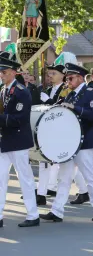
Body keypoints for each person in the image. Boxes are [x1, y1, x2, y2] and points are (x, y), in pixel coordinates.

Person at [40, 62, 93, 222]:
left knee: (90, 176)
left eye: (70, 78)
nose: (67, 82)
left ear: (79, 77)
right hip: (70, 142)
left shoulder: (91, 93)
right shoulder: (70, 94)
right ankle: (57, 211)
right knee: (64, 177)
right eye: (67, 79)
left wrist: (74, 108)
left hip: (85, 141)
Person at [37, 52, 89, 206]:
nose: (50, 76)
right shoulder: (49, 89)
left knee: (69, 163)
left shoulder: (65, 89)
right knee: (46, 162)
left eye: (54, 73)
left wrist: (50, 101)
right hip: (51, 128)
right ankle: (41, 193)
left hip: (64, 130)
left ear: (62, 75)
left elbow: (60, 107)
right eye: (49, 73)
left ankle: (84, 191)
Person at [0, 51, 40, 228]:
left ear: (14, 72)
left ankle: (33, 215)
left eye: (5, 72)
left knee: (25, 178)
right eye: (0, 72)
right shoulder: (3, 90)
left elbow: (20, 118)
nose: (1, 75)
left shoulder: (22, 92)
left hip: (18, 141)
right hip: (4, 141)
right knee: (0, 179)